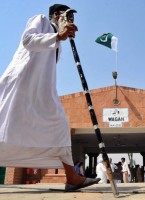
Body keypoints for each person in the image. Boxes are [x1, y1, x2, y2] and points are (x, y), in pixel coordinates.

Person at [0, 4, 100, 190]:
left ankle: (72, 177)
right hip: (21, 81)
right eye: (68, 16)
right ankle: (72, 177)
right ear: (56, 15)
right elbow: (28, 40)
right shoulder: (41, 20)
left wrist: (60, 38)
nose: (70, 21)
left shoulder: (58, 42)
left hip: (42, 90)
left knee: (59, 124)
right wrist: (58, 36)